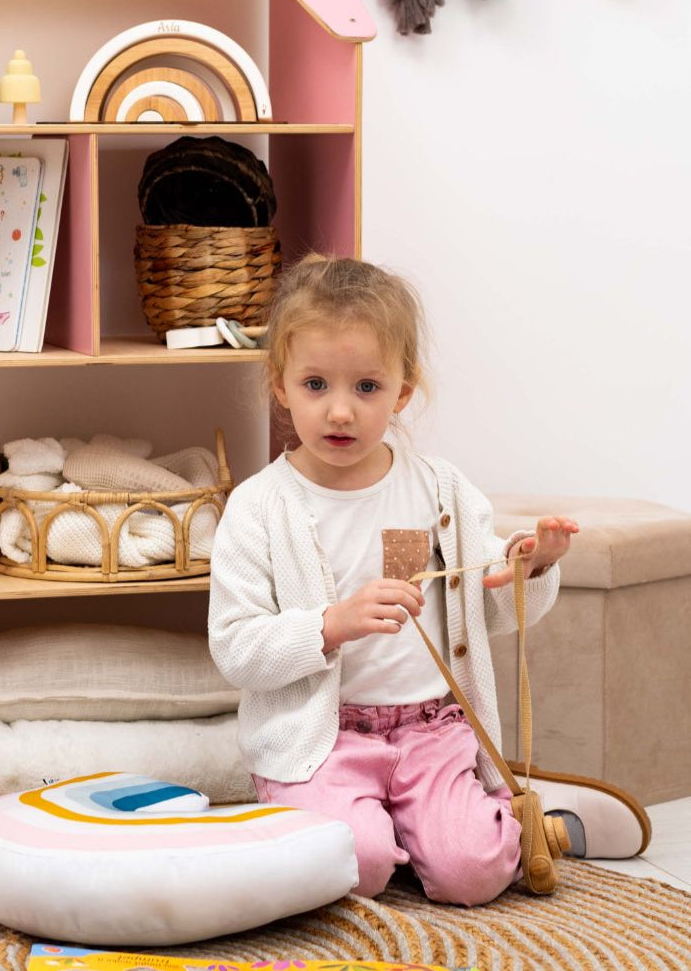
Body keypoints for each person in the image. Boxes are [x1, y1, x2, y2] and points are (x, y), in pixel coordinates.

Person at [208, 254, 579, 906]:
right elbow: (236, 647)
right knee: (360, 866)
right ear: (280, 385)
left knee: (476, 873)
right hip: (323, 740)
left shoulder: (436, 491)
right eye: (316, 385)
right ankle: (377, 831)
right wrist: (328, 626)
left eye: (367, 388)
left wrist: (531, 564)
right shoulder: (261, 507)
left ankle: (512, 828)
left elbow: (486, 601)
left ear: (403, 391)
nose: (340, 412)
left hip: (430, 731)